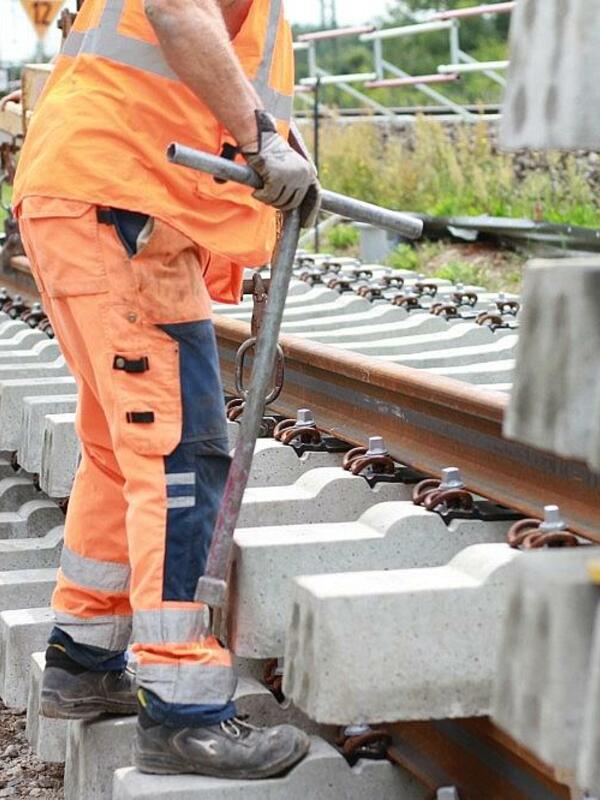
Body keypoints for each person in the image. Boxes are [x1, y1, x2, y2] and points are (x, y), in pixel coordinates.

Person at [12, 0, 319, 781]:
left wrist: (275, 142)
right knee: (181, 454)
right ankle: (184, 710)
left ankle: (83, 662)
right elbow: (176, 10)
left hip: (101, 193)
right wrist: (260, 139)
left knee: (124, 454)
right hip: (119, 198)